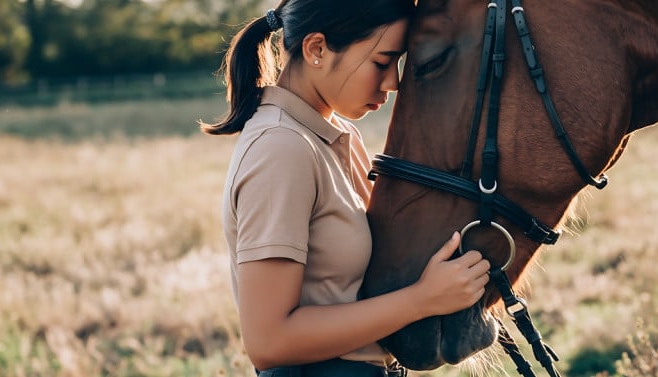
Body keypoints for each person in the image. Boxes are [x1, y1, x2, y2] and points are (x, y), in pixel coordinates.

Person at [200, 1, 491, 376]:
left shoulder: (337, 137)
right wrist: (421, 301)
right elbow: (268, 342)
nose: (394, 83)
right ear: (317, 49)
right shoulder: (280, 148)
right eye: (382, 62)